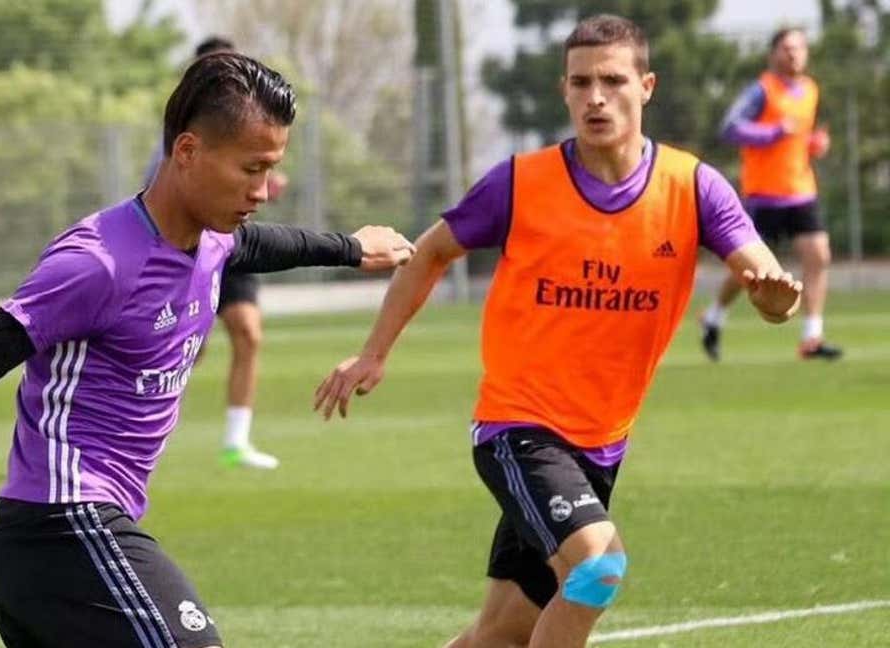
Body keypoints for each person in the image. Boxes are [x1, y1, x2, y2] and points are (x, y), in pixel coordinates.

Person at [0, 52, 414, 648]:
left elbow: (270, 246)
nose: (265, 189)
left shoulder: (214, 240)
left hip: (61, 544)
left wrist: (352, 248)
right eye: (253, 169)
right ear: (187, 152)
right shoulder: (97, 263)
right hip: (62, 528)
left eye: (271, 170)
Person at [314, 15, 801, 648]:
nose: (596, 97)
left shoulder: (694, 187)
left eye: (613, 80)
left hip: (601, 444)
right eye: (581, 82)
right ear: (564, 91)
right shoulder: (519, 184)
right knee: (598, 568)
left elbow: (766, 284)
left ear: (646, 86)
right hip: (518, 431)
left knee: (503, 632)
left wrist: (774, 302)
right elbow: (430, 252)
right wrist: (374, 353)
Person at [144, 35, 284, 469]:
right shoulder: (180, 141)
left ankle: (236, 441)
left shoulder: (249, 122)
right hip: (188, 253)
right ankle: (139, 424)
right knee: (185, 350)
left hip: (230, 242)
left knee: (248, 332)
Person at [701, 26, 839, 361]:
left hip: (801, 189)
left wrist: (812, 144)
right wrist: (774, 132)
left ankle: (812, 337)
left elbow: (799, 136)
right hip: (764, 195)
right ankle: (714, 315)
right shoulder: (761, 90)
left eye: (800, 48)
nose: (794, 54)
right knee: (747, 271)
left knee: (819, 255)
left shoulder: (810, 89)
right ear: (773, 54)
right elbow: (730, 128)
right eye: (786, 48)